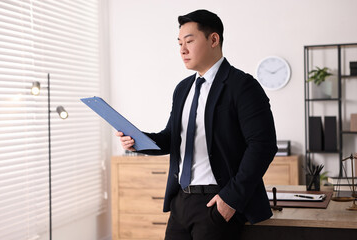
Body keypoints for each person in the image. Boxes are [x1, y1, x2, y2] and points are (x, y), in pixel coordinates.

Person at [116, 9, 277, 240]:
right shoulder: (183, 89)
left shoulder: (242, 86)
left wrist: (230, 198)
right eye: (179, 43)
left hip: (216, 202)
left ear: (214, 39)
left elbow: (263, 145)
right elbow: (171, 138)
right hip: (180, 201)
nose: (182, 50)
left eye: (189, 41)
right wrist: (137, 142)